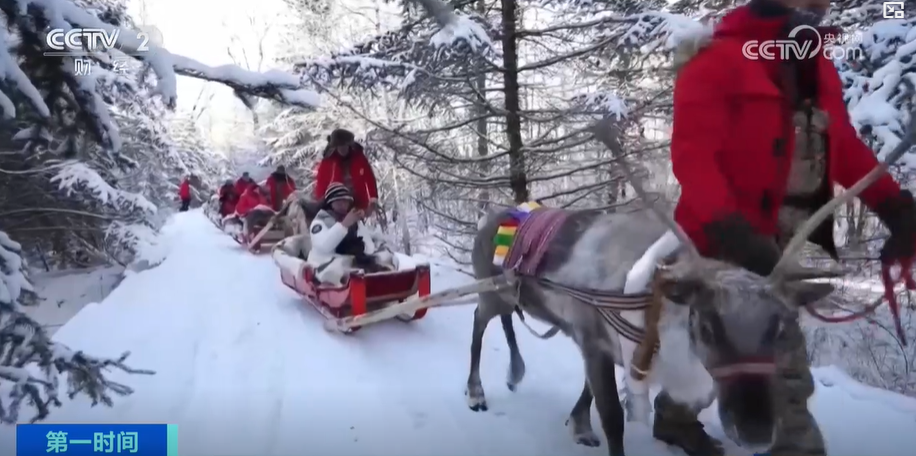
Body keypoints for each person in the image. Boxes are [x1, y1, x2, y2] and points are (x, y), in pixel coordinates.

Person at [667, 1, 916, 455]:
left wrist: (893, 206)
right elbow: (693, 158)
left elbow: (842, 145)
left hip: (792, 240)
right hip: (721, 242)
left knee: (728, 347)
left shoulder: (815, 65)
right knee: (775, 359)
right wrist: (733, 233)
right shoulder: (714, 62)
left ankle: (675, 413)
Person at [307, 183, 396, 285]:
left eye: (346, 201)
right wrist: (344, 225)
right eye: (339, 201)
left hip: (351, 261)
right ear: (330, 203)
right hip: (325, 263)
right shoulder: (320, 221)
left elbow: (369, 246)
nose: (343, 205)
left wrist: (361, 242)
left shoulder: (352, 219)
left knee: (381, 260)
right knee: (340, 270)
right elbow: (324, 246)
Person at [314, 129, 380, 214]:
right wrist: (321, 203)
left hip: (358, 201)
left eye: (344, 146)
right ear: (335, 147)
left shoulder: (359, 158)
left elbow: (369, 177)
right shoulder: (328, 161)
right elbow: (321, 182)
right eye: (340, 146)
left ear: (349, 145)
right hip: (337, 202)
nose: (342, 149)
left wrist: (373, 199)